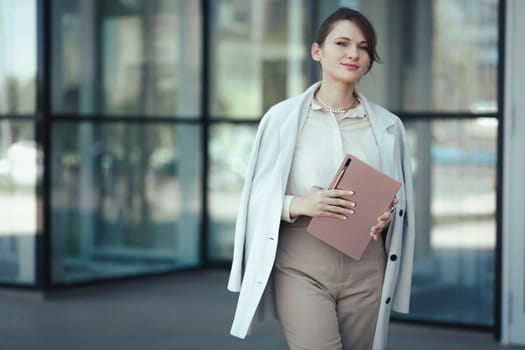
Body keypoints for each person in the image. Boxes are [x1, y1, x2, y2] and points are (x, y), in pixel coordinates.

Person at [227, 7, 414, 350]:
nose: (353, 53)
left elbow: (398, 203)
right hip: (301, 262)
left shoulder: (389, 126)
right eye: (342, 43)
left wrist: (386, 216)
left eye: (363, 47)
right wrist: (301, 203)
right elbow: (254, 198)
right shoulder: (281, 119)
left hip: (367, 265)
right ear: (317, 51)